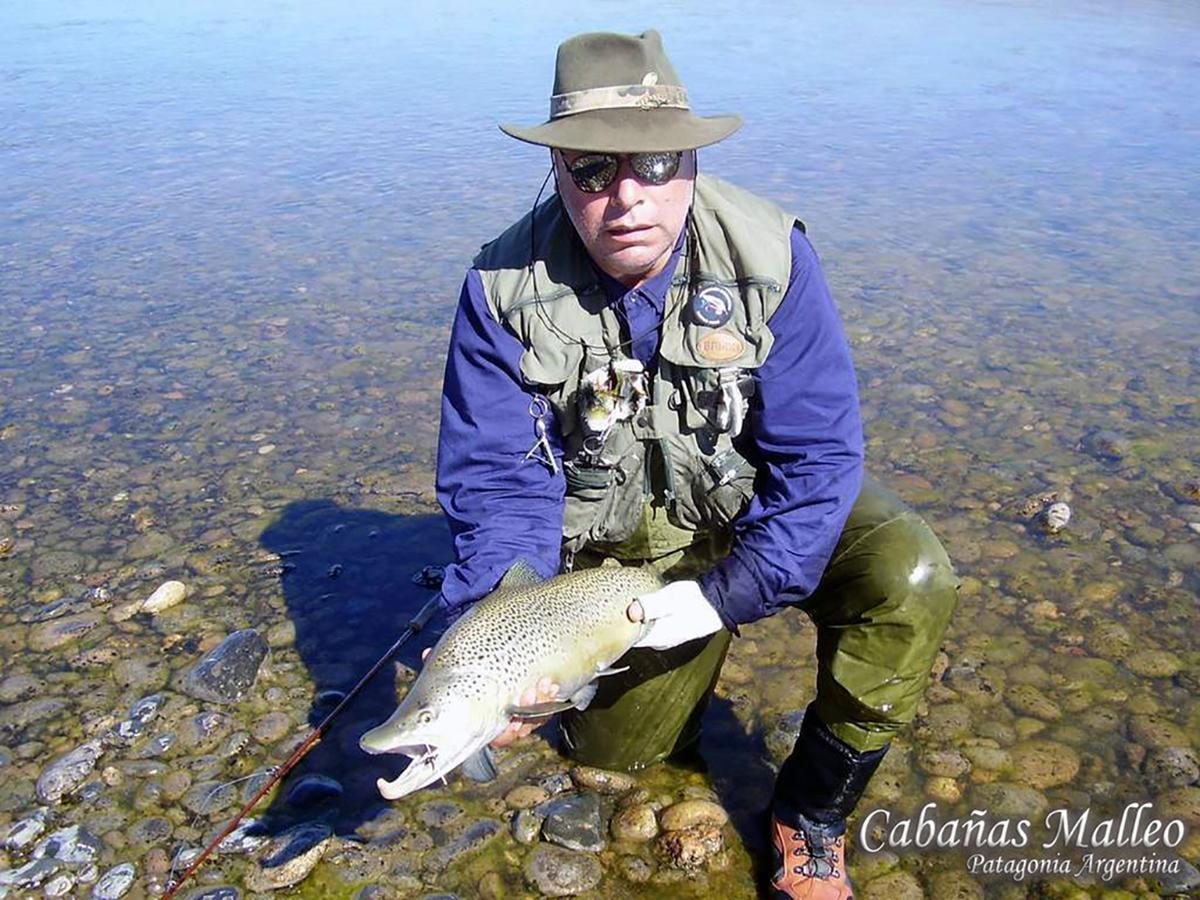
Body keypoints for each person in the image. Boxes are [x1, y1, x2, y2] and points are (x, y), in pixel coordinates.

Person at [434, 28, 958, 900]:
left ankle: (813, 816)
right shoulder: (499, 289)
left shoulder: (772, 256)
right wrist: (489, 636)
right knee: (621, 760)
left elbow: (820, 460)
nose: (627, 197)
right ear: (557, 169)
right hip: (614, 568)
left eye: (655, 162)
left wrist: (722, 598)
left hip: (749, 519)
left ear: (690, 161)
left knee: (908, 575)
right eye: (594, 170)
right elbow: (497, 486)